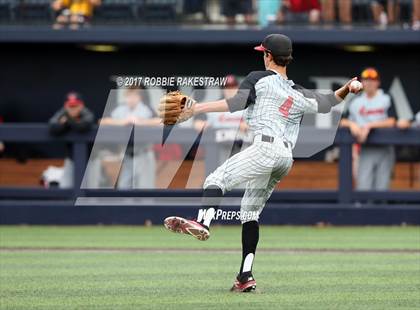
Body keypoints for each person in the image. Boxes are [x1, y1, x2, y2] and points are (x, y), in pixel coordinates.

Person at [163, 34, 361, 292]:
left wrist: (197, 108)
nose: (261, 55)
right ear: (287, 58)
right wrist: (348, 88)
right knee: (249, 212)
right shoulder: (297, 91)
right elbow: (327, 103)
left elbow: (236, 103)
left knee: (215, 180)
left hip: (265, 147)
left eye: (263, 52)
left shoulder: (259, 77)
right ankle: (245, 276)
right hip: (285, 158)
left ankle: (203, 221)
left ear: (268, 55)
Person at [340, 68, 396, 191]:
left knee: (382, 188)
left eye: (373, 80)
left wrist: (369, 126)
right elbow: (342, 121)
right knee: (363, 187)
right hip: (363, 148)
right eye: (366, 80)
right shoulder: (356, 101)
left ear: (378, 82)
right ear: (362, 83)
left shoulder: (385, 97)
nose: (369, 83)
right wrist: (352, 124)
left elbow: (392, 121)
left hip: (384, 148)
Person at [99, 87, 161, 189]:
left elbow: (160, 122)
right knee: (124, 189)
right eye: (129, 96)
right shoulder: (121, 109)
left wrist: (140, 122)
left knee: (145, 191)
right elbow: (102, 121)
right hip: (127, 156)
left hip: (144, 154)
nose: (131, 99)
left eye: (134, 95)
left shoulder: (146, 108)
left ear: (139, 97)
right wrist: (123, 122)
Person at [194, 75, 250, 166]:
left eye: (233, 86)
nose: (230, 90)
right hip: (221, 150)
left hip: (242, 149)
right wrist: (198, 123)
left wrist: (248, 125)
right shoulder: (216, 107)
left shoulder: (247, 106)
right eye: (227, 87)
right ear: (223, 89)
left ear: (238, 88)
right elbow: (202, 124)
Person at [48, 91, 95, 188]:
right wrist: (71, 122)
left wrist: (67, 121)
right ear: (66, 106)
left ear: (81, 105)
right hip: (71, 158)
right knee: (66, 187)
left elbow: (84, 126)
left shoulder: (85, 112)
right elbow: (52, 126)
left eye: (75, 106)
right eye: (70, 106)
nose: (73, 109)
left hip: (90, 159)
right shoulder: (62, 112)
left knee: (91, 190)